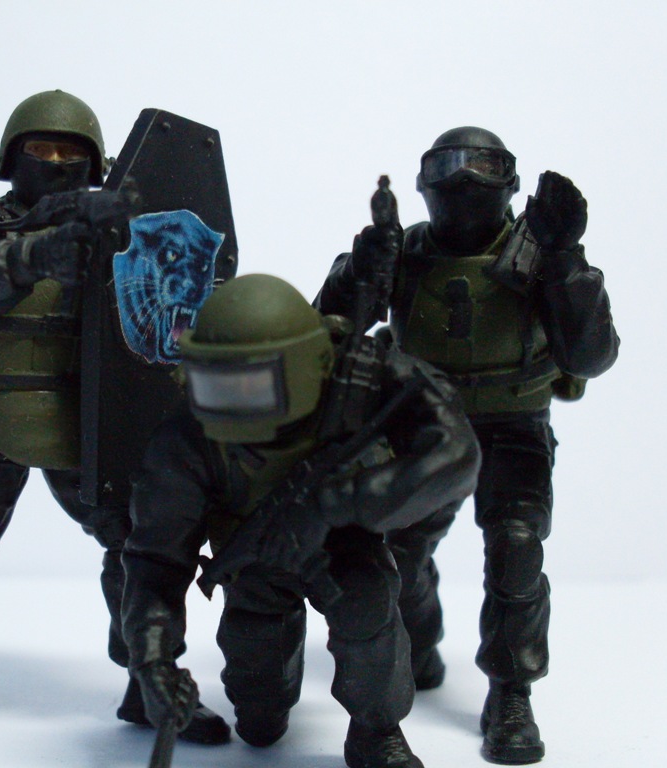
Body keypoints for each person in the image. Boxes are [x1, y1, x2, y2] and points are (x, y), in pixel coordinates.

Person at [0, 90, 227, 744]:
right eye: (41, 149)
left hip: (90, 414)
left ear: (98, 166)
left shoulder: (115, 230)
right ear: (9, 158)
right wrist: (35, 252)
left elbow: (165, 308)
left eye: (70, 153)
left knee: (136, 546)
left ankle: (149, 676)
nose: (55, 162)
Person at [315, 127, 619, 763]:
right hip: (424, 424)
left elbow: (590, 356)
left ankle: (511, 690)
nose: (464, 183)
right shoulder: (406, 254)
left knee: (516, 547)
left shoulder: (538, 257)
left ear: (511, 186)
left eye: (484, 169)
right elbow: (330, 330)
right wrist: (361, 267)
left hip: (515, 423)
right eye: (447, 171)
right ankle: (417, 642)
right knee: (396, 555)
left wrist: (566, 261)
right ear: (424, 185)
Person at [122, 274, 480, 768]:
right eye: (215, 384)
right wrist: (153, 660)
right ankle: (267, 705)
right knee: (259, 719)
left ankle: (376, 730)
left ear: (308, 366)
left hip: (344, 539)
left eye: (251, 385)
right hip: (255, 560)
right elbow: (156, 561)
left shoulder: (363, 381)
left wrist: (339, 504)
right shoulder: (188, 438)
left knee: (369, 603)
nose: (232, 403)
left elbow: (456, 454)